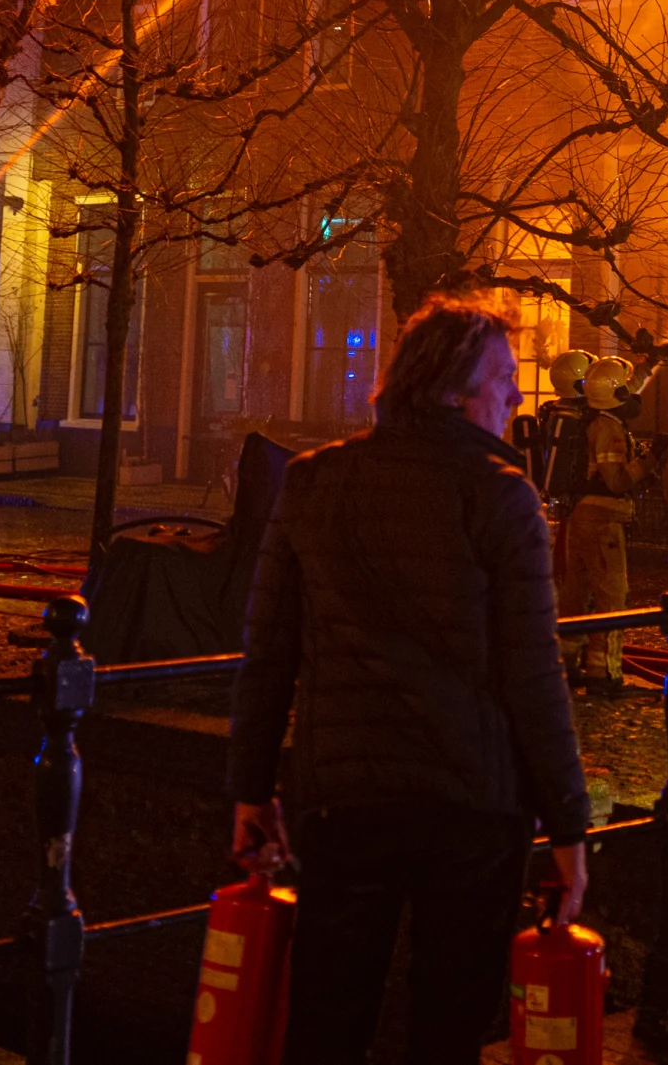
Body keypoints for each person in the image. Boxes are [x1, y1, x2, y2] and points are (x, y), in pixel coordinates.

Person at [227, 299, 592, 1065]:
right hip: (472, 802)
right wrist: (568, 826)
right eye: (502, 379)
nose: (516, 397)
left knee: (328, 1012)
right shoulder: (500, 493)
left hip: (342, 798)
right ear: (457, 389)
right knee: (449, 1021)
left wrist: (252, 788)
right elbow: (533, 673)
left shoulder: (313, 481)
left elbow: (270, 651)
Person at [556, 354, 645, 689]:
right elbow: (616, 481)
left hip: (581, 515)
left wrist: (647, 363)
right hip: (604, 518)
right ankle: (603, 670)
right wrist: (648, 461)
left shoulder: (586, 418)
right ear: (616, 394)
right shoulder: (608, 427)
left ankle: (565, 660)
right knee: (612, 595)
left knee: (575, 593)